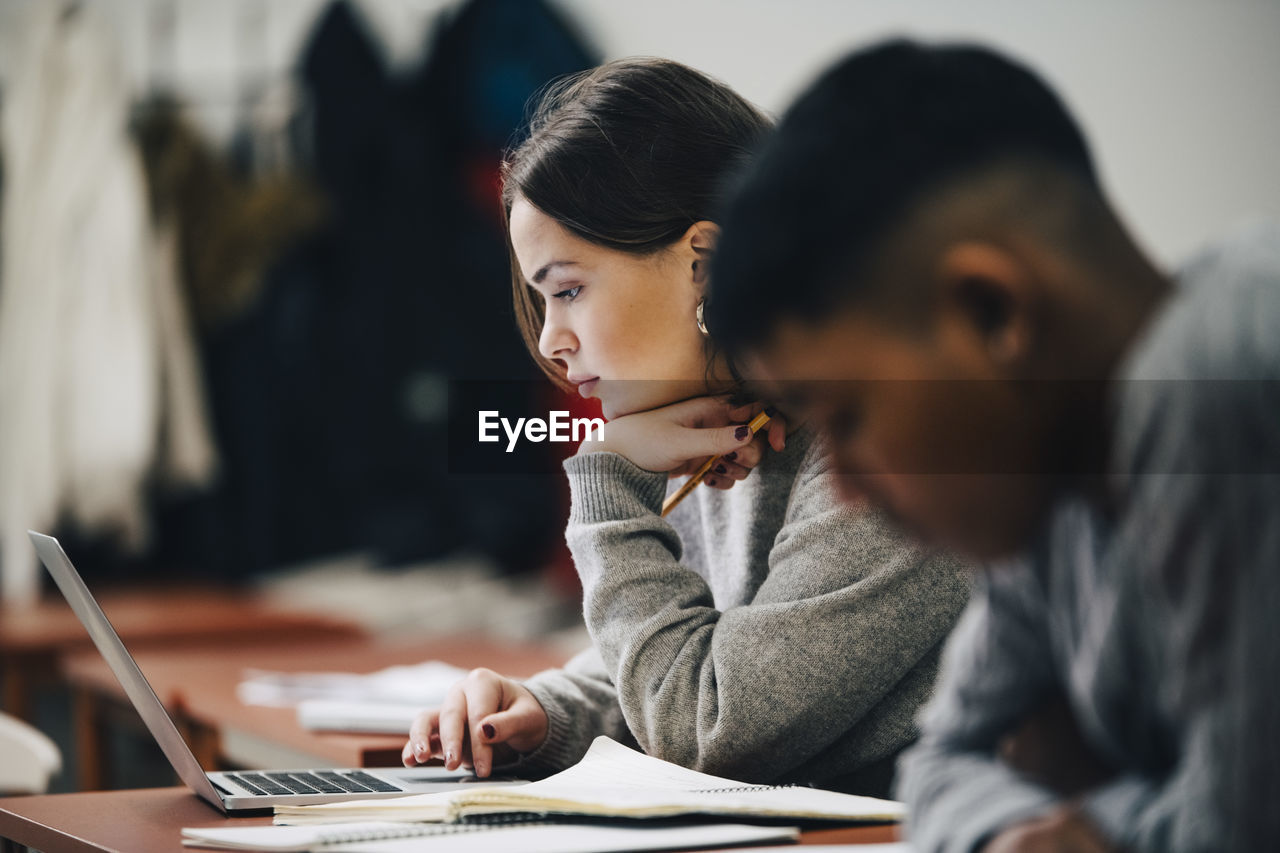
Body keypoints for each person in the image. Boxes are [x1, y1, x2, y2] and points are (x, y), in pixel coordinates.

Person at [707, 39, 1280, 852]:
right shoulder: (1047, 496)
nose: (848, 488)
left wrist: (1099, 821)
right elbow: (940, 762)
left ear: (991, 315)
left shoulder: (1214, 368)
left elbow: (1241, 828)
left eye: (847, 415)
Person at [401, 57, 971, 797]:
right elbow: (693, 655)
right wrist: (548, 709)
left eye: (568, 289)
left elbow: (709, 723)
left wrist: (608, 476)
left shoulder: (894, 441)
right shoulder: (728, 418)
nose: (550, 341)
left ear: (704, 264)